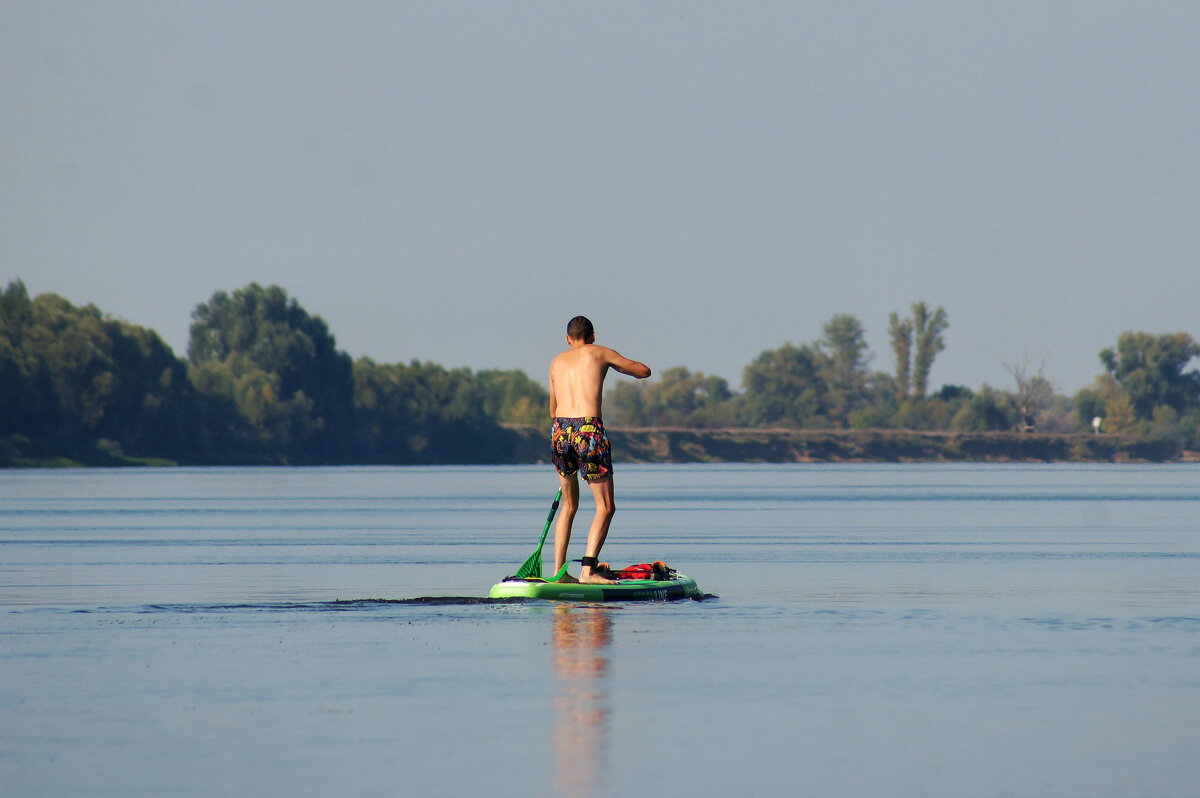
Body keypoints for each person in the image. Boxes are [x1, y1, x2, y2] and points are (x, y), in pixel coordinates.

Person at [548, 316, 651, 584]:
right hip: (588, 429)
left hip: (560, 431)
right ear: (592, 336)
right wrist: (613, 363)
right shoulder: (600, 352)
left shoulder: (556, 361)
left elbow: (552, 409)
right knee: (605, 506)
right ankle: (588, 571)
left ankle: (559, 573)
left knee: (568, 506)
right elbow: (643, 371)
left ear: (567, 339)